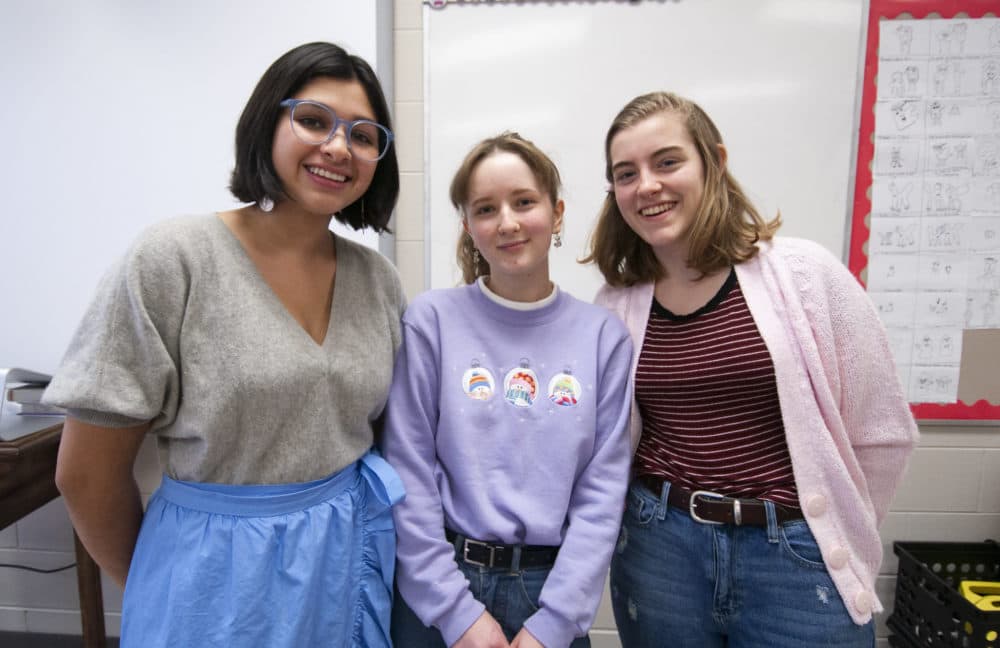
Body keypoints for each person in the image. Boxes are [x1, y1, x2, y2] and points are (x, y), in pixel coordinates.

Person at [43, 42, 406, 647]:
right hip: (210, 579)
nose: (339, 147)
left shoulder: (377, 282)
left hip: (344, 567)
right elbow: (85, 473)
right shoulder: (174, 259)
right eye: (314, 120)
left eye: (364, 135)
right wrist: (162, 585)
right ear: (267, 123)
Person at [585, 91, 919, 647]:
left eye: (667, 161)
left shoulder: (805, 275)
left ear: (714, 161)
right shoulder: (616, 305)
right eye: (626, 173)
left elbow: (882, 432)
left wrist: (837, 527)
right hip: (661, 552)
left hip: (794, 559)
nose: (646, 185)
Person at [383, 132, 634, 648]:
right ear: (468, 226)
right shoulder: (431, 322)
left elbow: (602, 494)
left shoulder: (602, 336)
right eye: (486, 208)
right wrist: (458, 615)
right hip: (441, 589)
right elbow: (409, 473)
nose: (508, 222)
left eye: (524, 202)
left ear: (557, 212)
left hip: (550, 596)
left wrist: (554, 625)